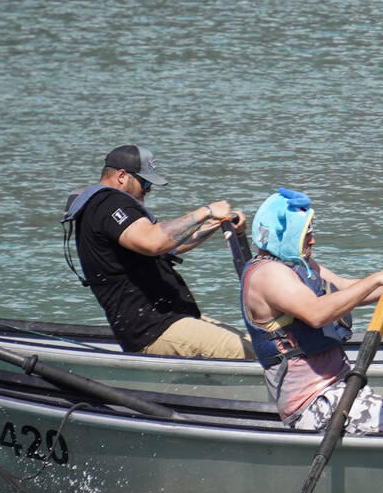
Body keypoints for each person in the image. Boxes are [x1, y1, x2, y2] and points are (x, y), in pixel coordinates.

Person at [238, 188, 383, 435]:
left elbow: (347, 289)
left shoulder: (300, 266)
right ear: (283, 233)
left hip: (341, 388)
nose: (312, 239)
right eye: (305, 233)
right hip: (313, 403)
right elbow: (316, 314)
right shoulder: (268, 275)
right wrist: (378, 278)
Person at [61, 144, 253, 359]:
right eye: (145, 182)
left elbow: (173, 243)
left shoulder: (112, 208)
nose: (148, 190)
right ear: (122, 176)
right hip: (154, 330)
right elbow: (153, 242)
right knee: (258, 354)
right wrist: (205, 211)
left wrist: (218, 222)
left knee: (254, 342)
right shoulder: (108, 203)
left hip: (170, 320)